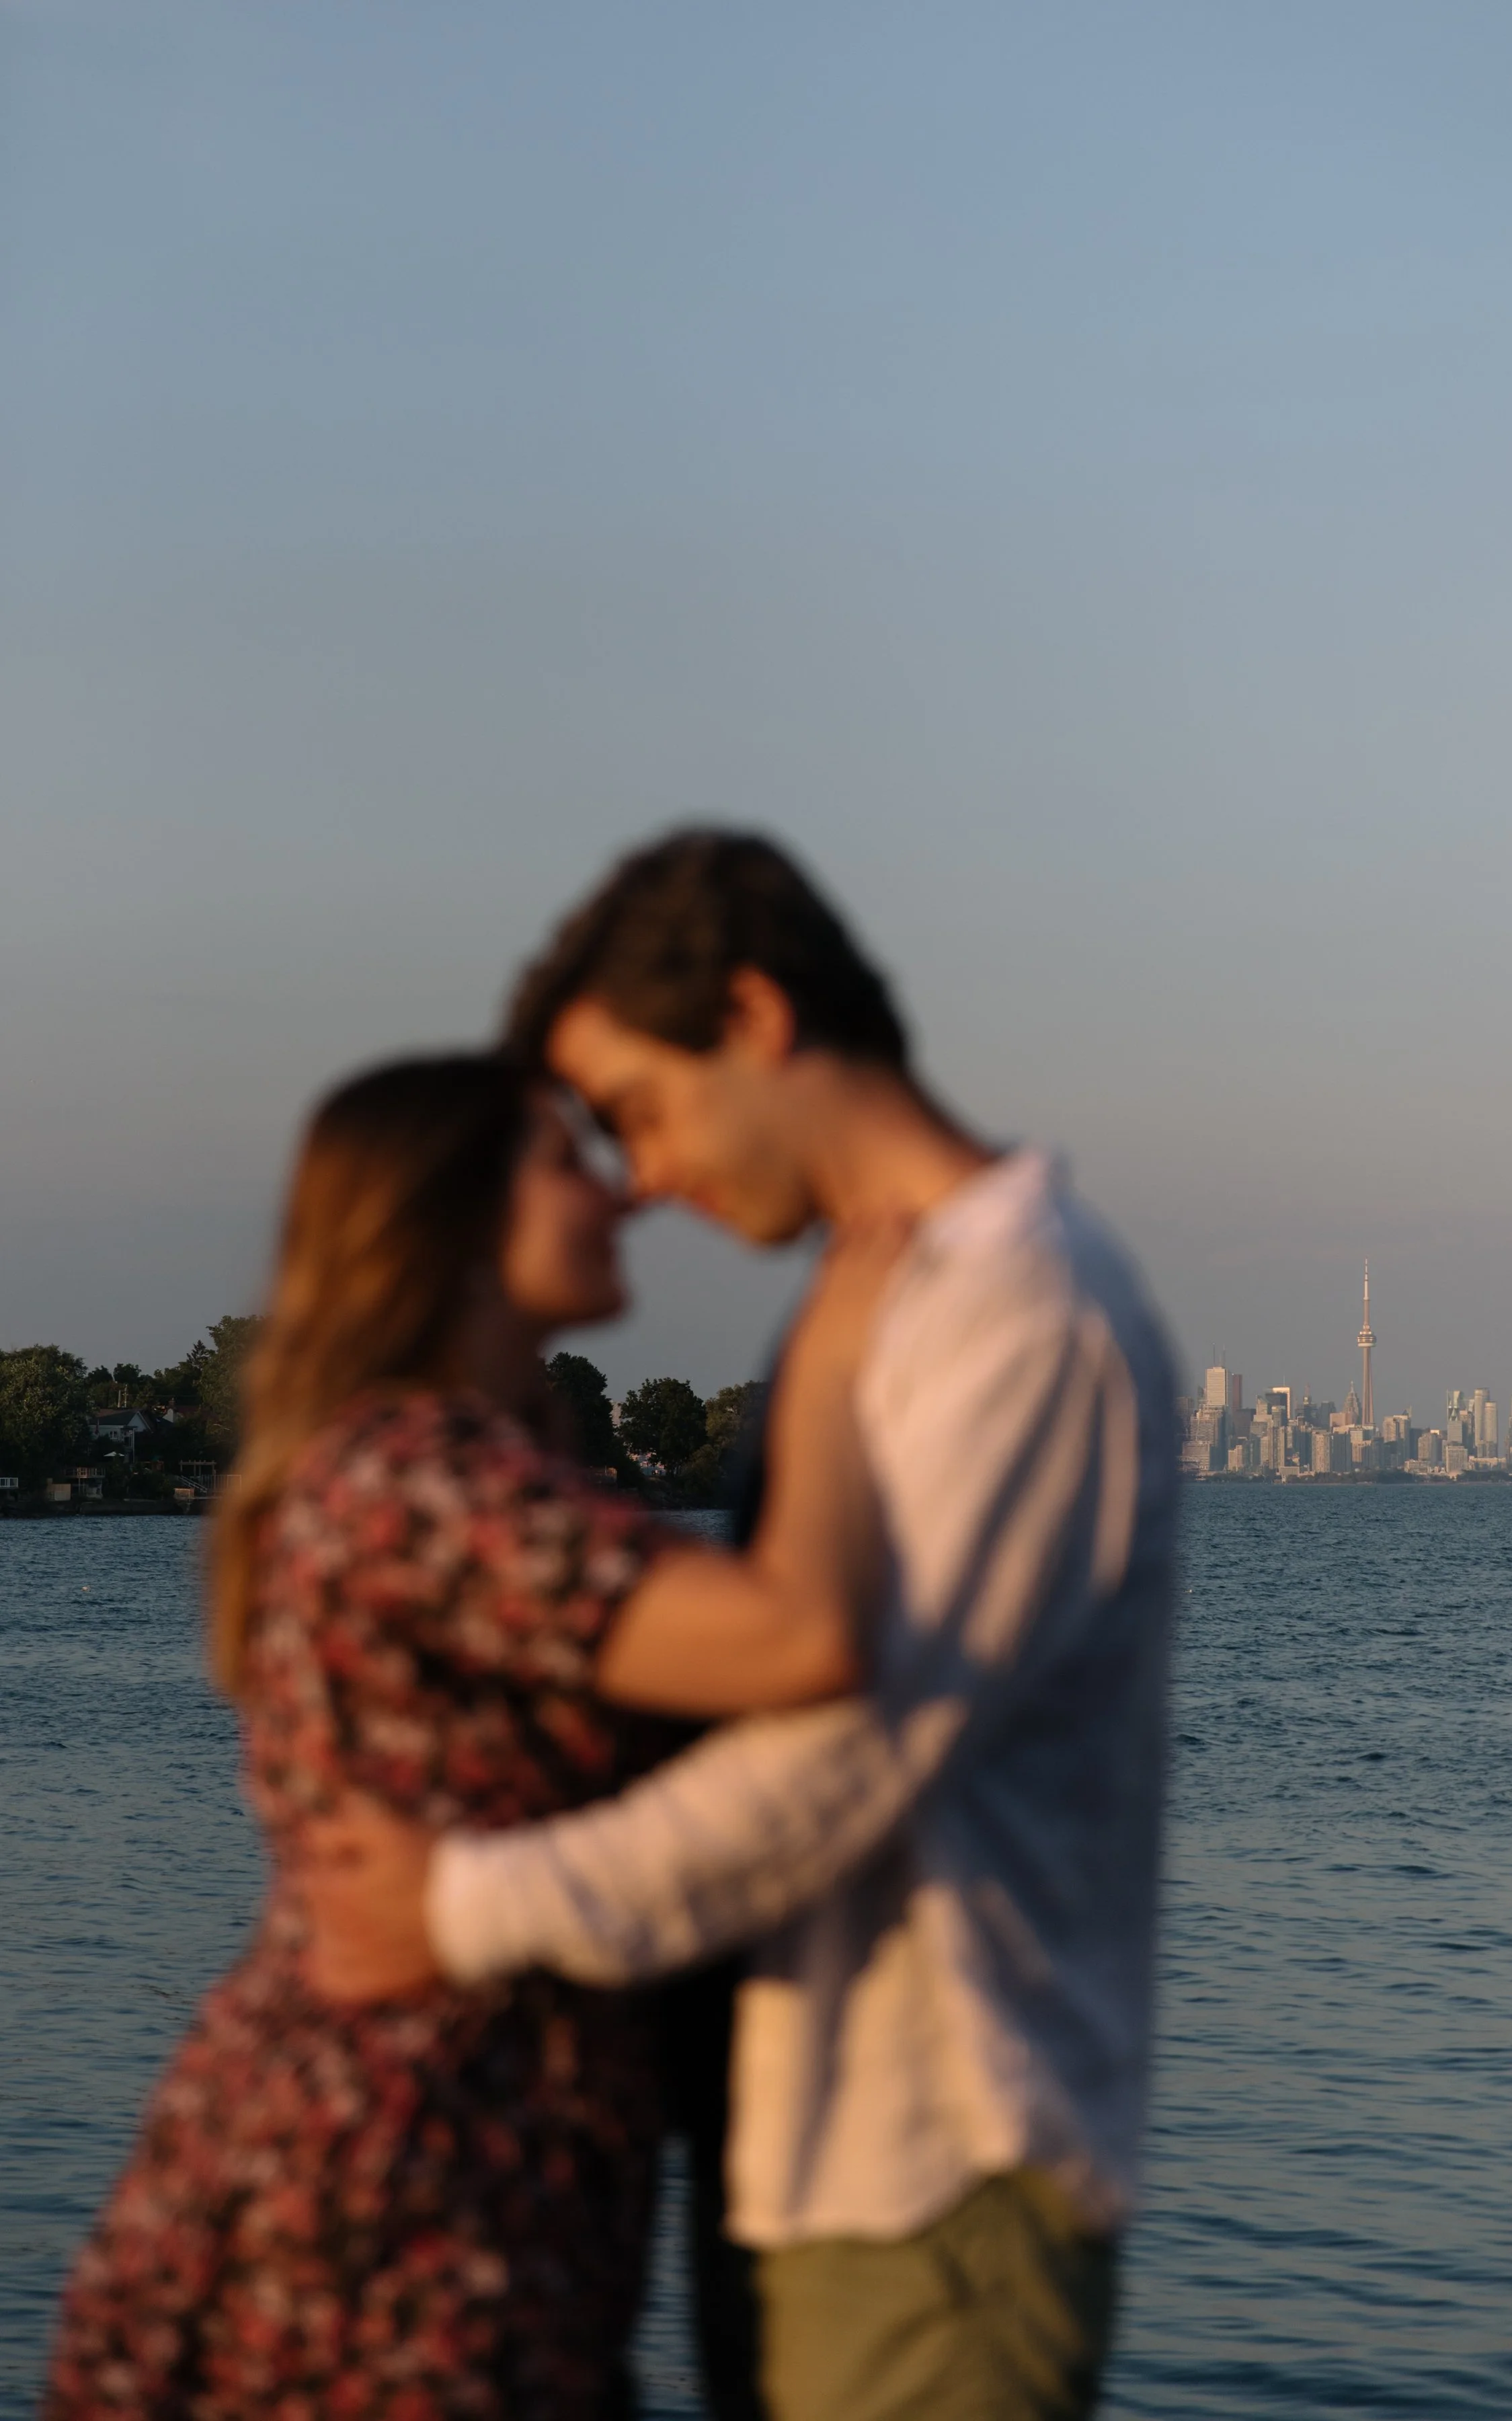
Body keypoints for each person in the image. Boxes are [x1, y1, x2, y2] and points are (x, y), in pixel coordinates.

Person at [303, 832, 1180, 2421]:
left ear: (760, 1021)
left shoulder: (1017, 1312)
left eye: (641, 1107)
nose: (640, 1175)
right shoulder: (877, 1304)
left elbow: (849, 1753)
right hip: (800, 2162)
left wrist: (467, 1911)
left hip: (932, 2173)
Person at [43, 1049, 893, 2421]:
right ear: (457, 1217)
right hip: (400, 2178)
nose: (621, 1197)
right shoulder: (418, 1483)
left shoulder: (435, 1468)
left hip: (442, 2149)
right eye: (568, 1162)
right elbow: (803, 1640)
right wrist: (855, 1333)